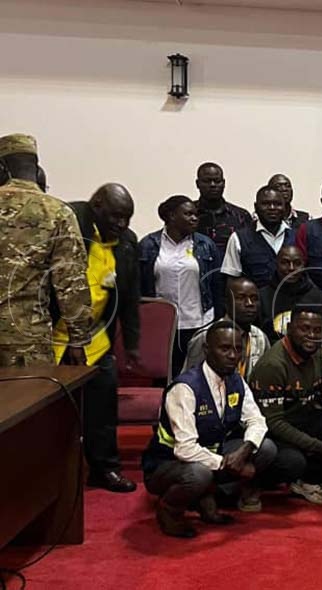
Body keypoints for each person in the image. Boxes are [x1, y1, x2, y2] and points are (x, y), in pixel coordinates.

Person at [141, 321, 279, 538]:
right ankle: (169, 509)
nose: (233, 355)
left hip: (210, 453)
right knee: (199, 473)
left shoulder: (237, 381)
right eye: (225, 349)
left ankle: (207, 496)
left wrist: (244, 451)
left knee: (266, 448)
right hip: (167, 464)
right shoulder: (185, 388)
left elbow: (258, 421)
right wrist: (228, 464)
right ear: (207, 350)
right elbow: (184, 450)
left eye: (238, 349)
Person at [54, 183, 140, 493]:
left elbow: (130, 297)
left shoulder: (127, 242)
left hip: (97, 340)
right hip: (56, 339)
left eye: (127, 218)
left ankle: (104, 470)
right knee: (53, 413)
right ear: (97, 205)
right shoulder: (70, 222)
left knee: (103, 408)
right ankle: (53, 478)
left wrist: (131, 343)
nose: (122, 224)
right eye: (116, 216)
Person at [0, 133, 90, 367]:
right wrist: (78, 340)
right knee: (27, 403)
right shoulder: (57, 212)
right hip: (27, 342)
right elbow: (71, 283)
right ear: (36, 167)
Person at [250, 307, 322, 505]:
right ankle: (258, 483)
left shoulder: (321, 353)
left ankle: (310, 479)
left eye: (317, 330)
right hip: (274, 433)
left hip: (305, 419)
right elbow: (274, 423)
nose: (312, 336)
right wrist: (320, 447)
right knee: (293, 463)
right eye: (304, 329)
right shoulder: (272, 365)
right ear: (289, 328)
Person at [139, 195, 224, 378]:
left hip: (198, 322)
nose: (194, 218)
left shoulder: (205, 245)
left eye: (196, 214)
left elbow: (217, 284)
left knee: (197, 375)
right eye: (188, 214)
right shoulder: (149, 245)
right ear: (171, 216)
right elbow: (141, 285)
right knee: (163, 375)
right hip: (162, 324)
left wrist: (218, 318)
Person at [184, 276, 270, 379]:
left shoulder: (260, 337)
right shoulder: (207, 336)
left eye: (254, 298)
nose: (249, 304)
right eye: (241, 298)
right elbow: (187, 380)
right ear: (227, 303)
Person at [257, 244, 322, 342]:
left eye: (297, 263)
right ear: (276, 264)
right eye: (285, 262)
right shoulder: (262, 297)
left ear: (304, 265)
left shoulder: (320, 298)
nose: (291, 268)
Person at [221, 185, 295, 288]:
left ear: (285, 207)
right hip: (254, 302)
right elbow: (232, 280)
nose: (272, 208)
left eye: (277, 204)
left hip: (290, 302)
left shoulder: (297, 237)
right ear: (256, 207)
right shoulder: (238, 238)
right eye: (266, 204)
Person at [194, 162, 253, 251]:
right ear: (197, 184)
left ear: (224, 183)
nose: (213, 185)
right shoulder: (188, 215)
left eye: (217, 181)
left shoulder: (241, 216)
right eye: (207, 181)